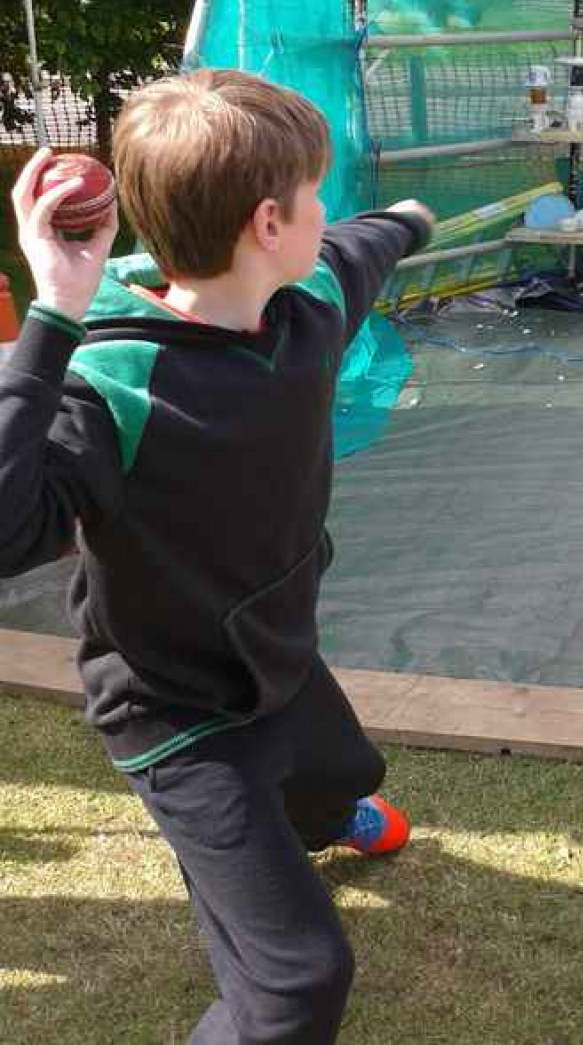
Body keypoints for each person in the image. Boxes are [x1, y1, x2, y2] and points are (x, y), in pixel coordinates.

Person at [0, 69, 435, 1043]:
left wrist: (410, 219)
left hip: (275, 651)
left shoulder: (309, 298)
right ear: (268, 226)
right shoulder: (109, 380)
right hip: (176, 710)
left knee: (341, 773)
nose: (333, 212)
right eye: (316, 195)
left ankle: (320, 817)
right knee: (296, 983)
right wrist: (53, 314)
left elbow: (363, 247)